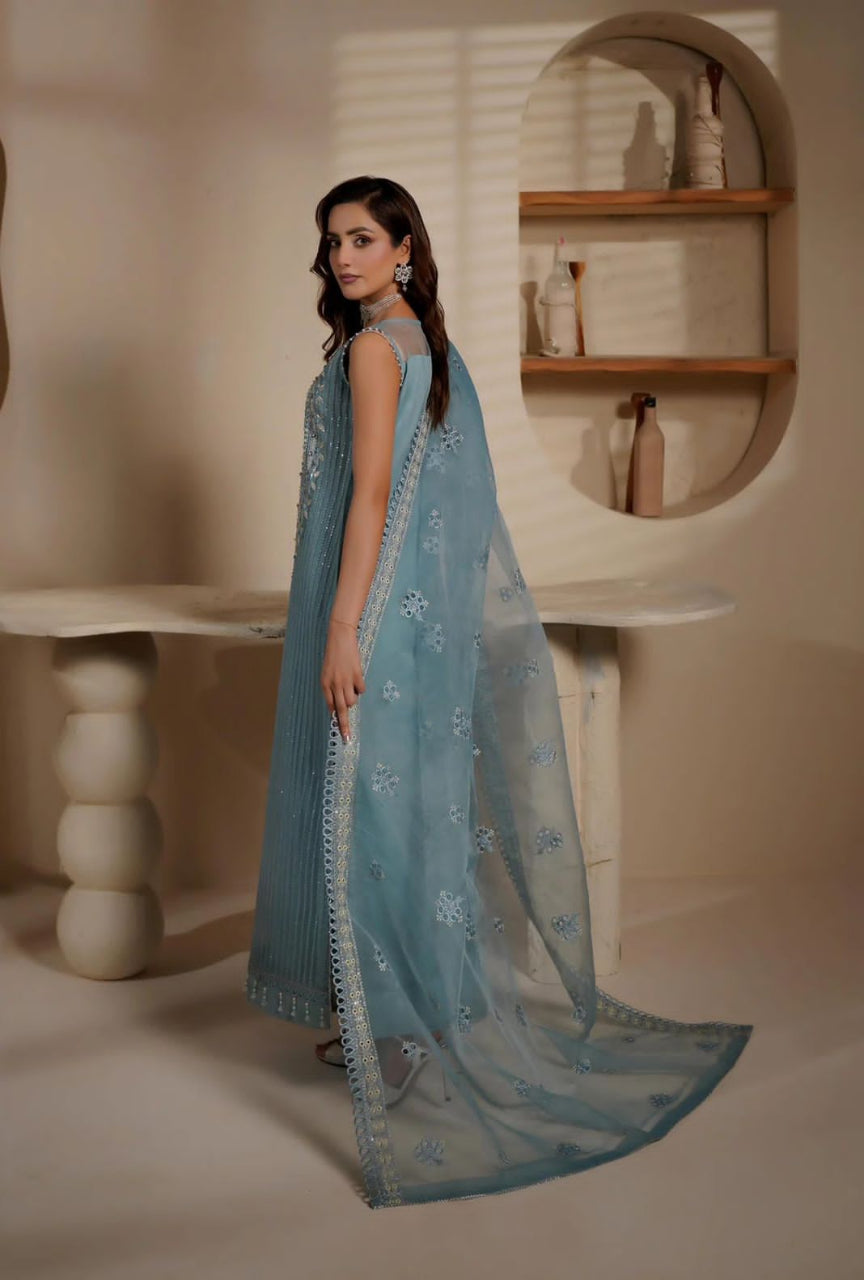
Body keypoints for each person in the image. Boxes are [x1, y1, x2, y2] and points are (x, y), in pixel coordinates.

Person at [246, 175, 753, 1210]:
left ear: (403, 250)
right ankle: (395, 1009)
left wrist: (345, 627)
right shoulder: (421, 344)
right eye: (332, 240)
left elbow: (377, 491)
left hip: (373, 613)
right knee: (403, 815)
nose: (342, 256)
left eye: (361, 239)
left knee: (369, 818)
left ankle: (396, 1031)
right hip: (413, 619)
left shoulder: (380, 351)